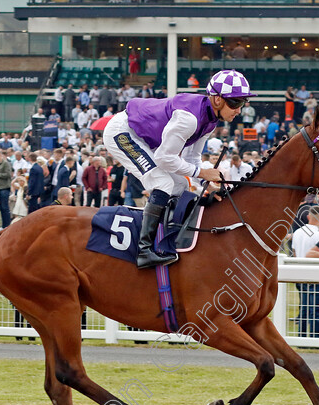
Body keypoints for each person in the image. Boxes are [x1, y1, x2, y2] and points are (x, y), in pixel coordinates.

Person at [104, 69, 249, 268]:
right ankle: (143, 250)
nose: (239, 110)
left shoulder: (210, 121)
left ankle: (165, 239)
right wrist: (203, 173)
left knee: (179, 184)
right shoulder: (189, 119)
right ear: (217, 100)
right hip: (122, 132)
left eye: (243, 103)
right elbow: (164, 158)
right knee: (163, 183)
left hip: (144, 137)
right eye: (235, 103)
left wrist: (205, 185)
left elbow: (192, 158)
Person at [291, 209, 319, 338]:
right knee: (315, 310)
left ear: (308, 217)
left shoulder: (297, 232)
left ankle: (302, 335)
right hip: (316, 275)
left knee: (304, 308)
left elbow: (294, 253)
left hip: (301, 273)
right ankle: (315, 337)